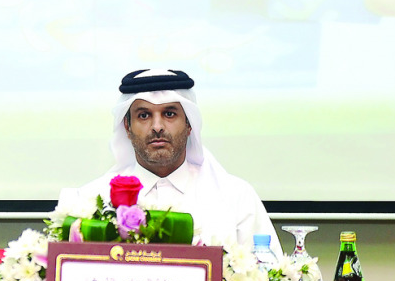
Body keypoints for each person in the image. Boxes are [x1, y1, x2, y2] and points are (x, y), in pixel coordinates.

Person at [58, 69, 280, 253]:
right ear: (127, 127)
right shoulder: (90, 200)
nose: (157, 127)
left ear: (189, 124)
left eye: (170, 114)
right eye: (143, 115)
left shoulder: (236, 197)